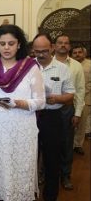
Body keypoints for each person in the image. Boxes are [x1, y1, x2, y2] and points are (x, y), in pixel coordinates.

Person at [0, 25, 46, 201]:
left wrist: (17, 103)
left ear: (19, 45)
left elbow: (41, 101)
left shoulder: (30, 67)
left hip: (20, 131)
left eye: (11, 43)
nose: (6, 47)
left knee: (18, 169)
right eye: (2, 43)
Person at [32, 33, 74, 201]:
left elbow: (70, 95)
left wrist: (56, 98)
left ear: (52, 48)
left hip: (52, 117)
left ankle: (50, 196)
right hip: (30, 116)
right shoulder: (28, 67)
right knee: (29, 157)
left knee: (52, 159)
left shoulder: (63, 69)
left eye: (44, 50)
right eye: (37, 51)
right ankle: (29, 193)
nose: (40, 54)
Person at [54, 34, 85, 190]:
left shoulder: (76, 66)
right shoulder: (46, 63)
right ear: (54, 46)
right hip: (47, 110)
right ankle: (44, 173)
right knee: (46, 144)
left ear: (69, 47)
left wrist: (77, 113)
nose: (63, 45)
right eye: (60, 43)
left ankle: (65, 175)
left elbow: (80, 91)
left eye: (66, 43)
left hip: (67, 109)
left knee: (67, 145)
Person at [71, 45, 91, 143]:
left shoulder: (89, 64)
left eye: (80, 52)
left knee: (81, 124)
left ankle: (78, 145)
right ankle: (69, 143)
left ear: (84, 53)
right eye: (75, 53)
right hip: (70, 99)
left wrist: (81, 92)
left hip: (86, 98)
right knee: (70, 122)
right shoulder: (70, 64)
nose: (77, 54)